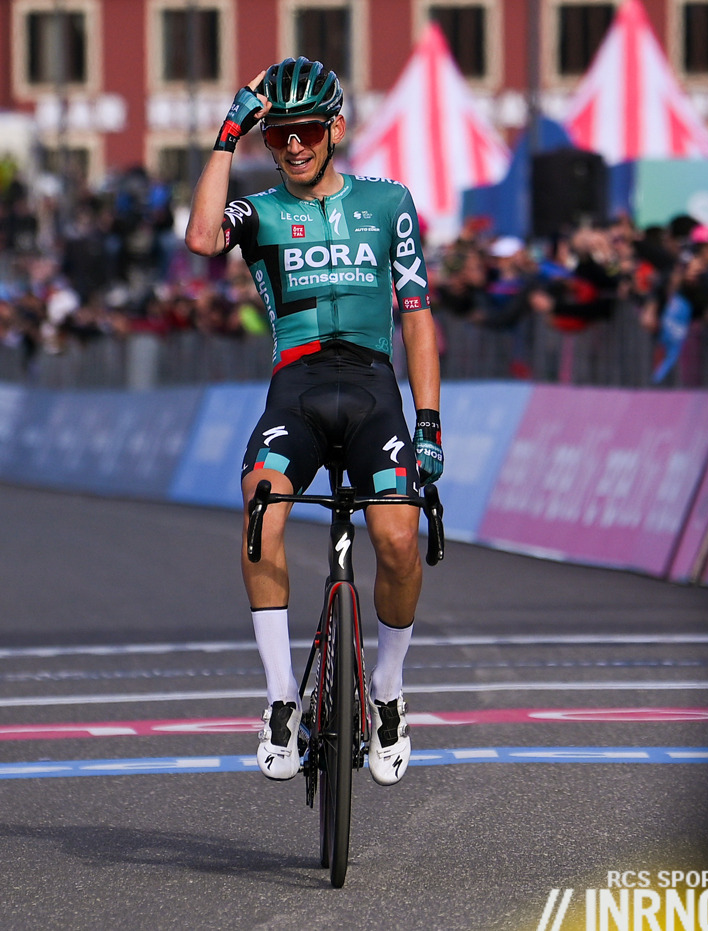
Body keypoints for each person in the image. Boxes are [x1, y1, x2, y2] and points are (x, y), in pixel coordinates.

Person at [184, 57, 443, 787]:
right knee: (259, 505)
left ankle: (387, 691)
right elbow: (201, 238)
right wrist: (228, 135)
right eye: (278, 135)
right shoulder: (259, 211)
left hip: (371, 389)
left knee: (399, 539)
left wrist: (428, 421)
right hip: (295, 391)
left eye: (305, 131)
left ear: (337, 129)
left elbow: (418, 319)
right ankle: (280, 698)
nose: (293, 145)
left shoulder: (389, 202)